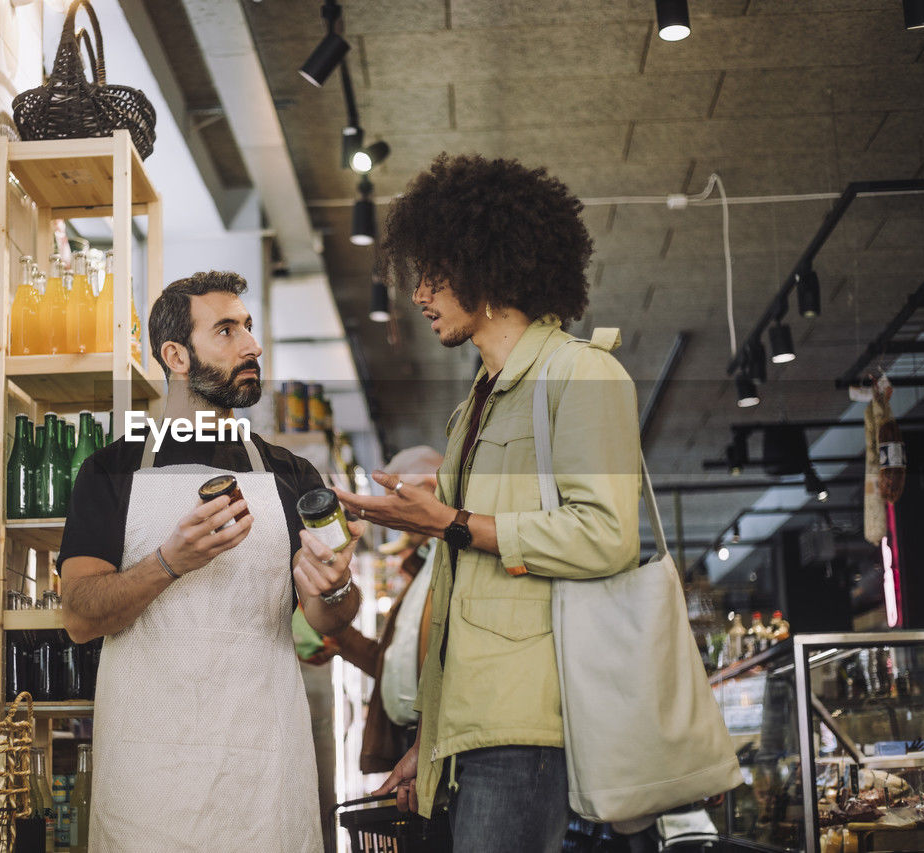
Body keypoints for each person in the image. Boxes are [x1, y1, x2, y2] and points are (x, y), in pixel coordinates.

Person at [334, 154, 644, 853]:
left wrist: (450, 520)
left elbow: (608, 536)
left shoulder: (582, 371)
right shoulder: (472, 408)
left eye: (435, 273)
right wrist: (432, 746)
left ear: (492, 266)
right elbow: (458, 595)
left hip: (529, 728)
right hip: (473, 734)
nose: (418, 293)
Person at [56, 270, 363, 851]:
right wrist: (168, 562)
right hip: (150, 773)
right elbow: (79, 616)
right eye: (226, 330)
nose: (251, 346)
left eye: (248, 327)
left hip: (264, 764)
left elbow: (330, 621)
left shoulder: (294, 474)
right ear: (175, 354)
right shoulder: (108, 472)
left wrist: (335, 587)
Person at [314, 446, 442, 775]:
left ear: (431, 486)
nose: (394, 516)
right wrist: (334, 631)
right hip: (409, 744)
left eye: (396, 497)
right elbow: (393, 665)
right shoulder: (423, 564)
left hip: (436, 747)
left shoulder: (453, 562)